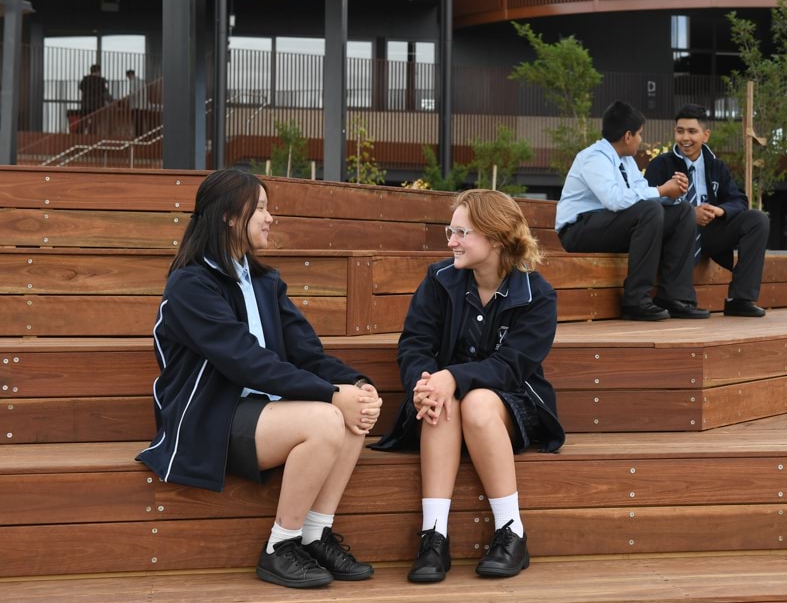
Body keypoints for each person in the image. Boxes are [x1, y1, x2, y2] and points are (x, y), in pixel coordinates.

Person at [136, 168, 383, 590]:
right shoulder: (191, 284)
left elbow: (307, 352)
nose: (270, 218)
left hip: (264, 413)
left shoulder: (266, 281)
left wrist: (354, 383)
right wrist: (328, 395)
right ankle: (279, 547)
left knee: (352, 410)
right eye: (262, 208)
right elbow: (245, 363)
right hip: (210, 418)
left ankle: (314, 535)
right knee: (327, 418)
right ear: (231, 215)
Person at [372, 189, 565, 583]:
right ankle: (433, 537)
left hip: (508, 406)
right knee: (444, 401)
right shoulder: (440, 279)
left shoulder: (537, 294)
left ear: (495, 238)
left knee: (475, 401)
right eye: (451, 230)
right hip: (440, 406)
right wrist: (423, 384)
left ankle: (511, 531)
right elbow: (415, 343)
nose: (451, 242)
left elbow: (511, 367)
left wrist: (453, 377)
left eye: (462, 233)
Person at [554, 100, 709, 321]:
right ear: (628, 136)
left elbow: (641, 190)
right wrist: (661, 190)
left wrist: (669, 192)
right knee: (649, 210)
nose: (641, 140)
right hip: (578, 230)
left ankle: (674, 297)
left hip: (610, 226)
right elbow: (614, 200)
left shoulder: (626, 160)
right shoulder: (593, 157)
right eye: (639, 134)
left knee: (683, 212)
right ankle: (636, 300)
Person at [645, 104, 771, 317]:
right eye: (680, 131)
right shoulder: (661, 164)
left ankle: (740, 299)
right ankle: (675, 298)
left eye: (692, 131)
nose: (685, 137)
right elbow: (647, 203)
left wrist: (719, 211)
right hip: (674, 236)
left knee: (757, 220)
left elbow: (738, 199)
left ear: (706, 135)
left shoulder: (716, 166)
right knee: (684, 212)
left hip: (709, 234)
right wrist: (686, 214)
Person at [78, 64, 110, 133]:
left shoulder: (85, 79)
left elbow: (81, 88)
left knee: (83, 121)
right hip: (97, 105)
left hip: (86, 104)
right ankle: (92, 135)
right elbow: (104, 91)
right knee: (95, 122)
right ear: (98, 71)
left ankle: (79, 135)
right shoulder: (101, 81)